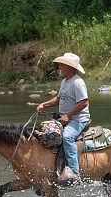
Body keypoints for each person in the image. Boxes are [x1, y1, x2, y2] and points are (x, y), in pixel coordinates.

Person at [37, 52, 90, 183]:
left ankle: (74, 174)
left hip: (78, 119)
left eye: (62, 65)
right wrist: (44, 104)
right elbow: (59, 99)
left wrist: (68, 115)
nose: (59, 67)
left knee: (67, 137)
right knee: (45, 133)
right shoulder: (65, 82)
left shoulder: (77, 82)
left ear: (70, 68)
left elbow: (84, 102)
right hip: (65, 118)